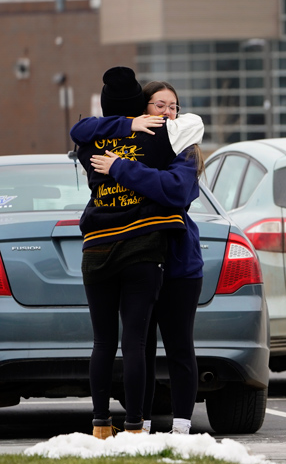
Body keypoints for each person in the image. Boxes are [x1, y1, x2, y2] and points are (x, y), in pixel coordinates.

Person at [70, 67, 200, 439]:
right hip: (141, 253)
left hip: (176, 261)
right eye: (159, 105)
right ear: (143, 109)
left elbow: (177, 190)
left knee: (177, 346)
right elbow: (80, 130)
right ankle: (137, 423)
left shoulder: (178, 145)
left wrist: (120, 166)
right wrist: (127, 126)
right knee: (137, 347)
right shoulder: (143, 137)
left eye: (173, 107)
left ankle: (180, 428)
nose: (167, 113)